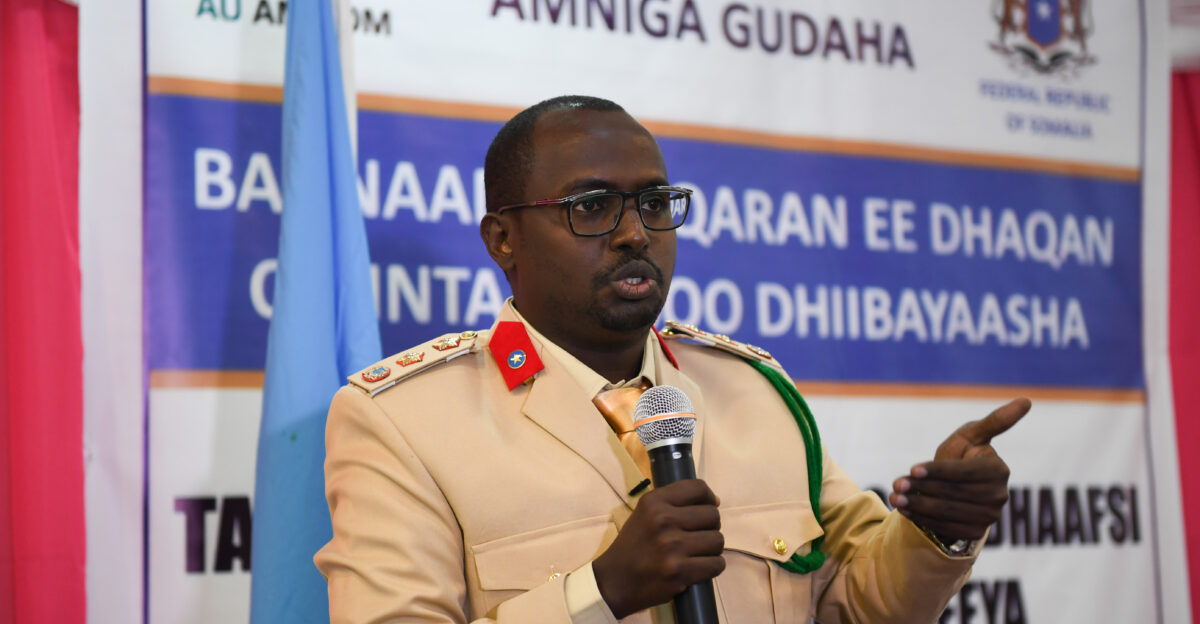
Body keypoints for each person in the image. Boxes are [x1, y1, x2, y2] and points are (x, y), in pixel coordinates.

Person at [314, 95, 1029, 623]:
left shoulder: (757, 393)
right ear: (503, 240)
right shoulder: (404, 424)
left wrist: (940, 531)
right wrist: (601, 591)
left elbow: (861, 603)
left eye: (655, 202)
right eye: (590, 207)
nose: (635, 233)